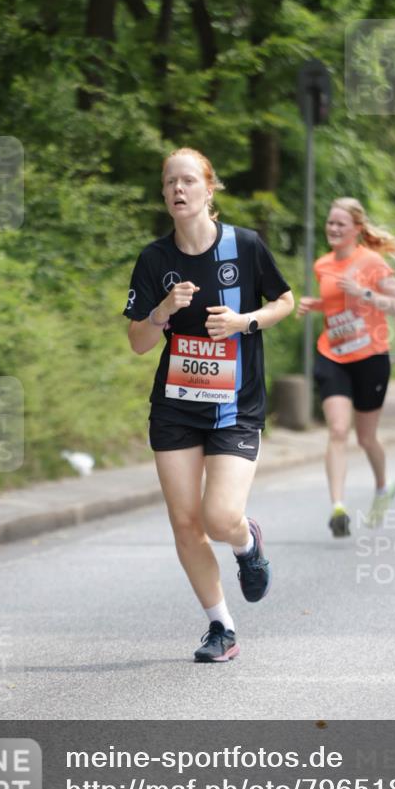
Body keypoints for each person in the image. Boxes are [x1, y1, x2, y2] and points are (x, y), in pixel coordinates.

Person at [124, 147, 294, 662]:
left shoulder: (244, 247)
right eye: (170, 182)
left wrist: (246, 323)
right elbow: (136, 342)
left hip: (235, 406)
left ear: (209, 188)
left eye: (188, 181)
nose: (178, 189)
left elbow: (286, 301)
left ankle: (247, 544)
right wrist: (160, 312)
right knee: (184, 522)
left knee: (219, 517)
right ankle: (221, 628)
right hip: (176, 404)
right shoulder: (156, 260)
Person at [297, 197, 395, 537]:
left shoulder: (372, 262)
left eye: (340, 224)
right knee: (337, 430)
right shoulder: (323, 265)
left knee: (366, 437)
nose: (332, 229)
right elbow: (335, 306)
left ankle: (382, 487)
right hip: (333, 355)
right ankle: (338, 508)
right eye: (330, 223)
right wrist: (314, 304)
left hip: (371, 358)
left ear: (356, 230)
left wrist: (365, 293)